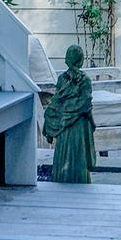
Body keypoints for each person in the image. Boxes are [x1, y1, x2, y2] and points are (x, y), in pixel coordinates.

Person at [44, 44, 95, 184]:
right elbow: (86, 105)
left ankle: (61, 181)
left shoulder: (62, 79)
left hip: (63, 125)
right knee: (79, 155)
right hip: (79, 125)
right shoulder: (85, 80)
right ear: (81, 60)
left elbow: (56, 102)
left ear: (67, 60)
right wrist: (93, 123)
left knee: (63, 156)